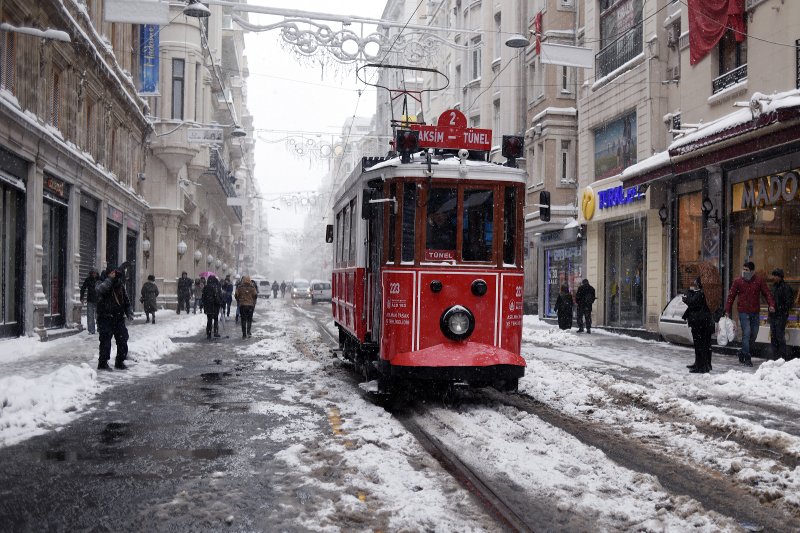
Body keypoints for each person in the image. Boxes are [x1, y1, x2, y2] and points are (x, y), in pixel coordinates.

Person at [724, 261, 776, 366]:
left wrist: (771, 305)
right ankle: (747, 357)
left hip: (755, 312)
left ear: (752, 271)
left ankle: (742, 352)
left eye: (746, 270)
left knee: (754, 334)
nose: (744, 272)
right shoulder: (738, 281)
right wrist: (727, 310)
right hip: (743, 312)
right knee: (746, 333)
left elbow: (767, 293)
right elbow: (731, 296)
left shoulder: (759, 281)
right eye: (743, 269)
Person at [95, 267, 134, 370]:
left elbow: (125, 300)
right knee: (105, 341)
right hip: (105, 317)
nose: (115, 275)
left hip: (118, 317)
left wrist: (129, 311)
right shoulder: (101, 281)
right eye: (113, 273)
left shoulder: (119, 284)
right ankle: (102, 363)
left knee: (123, 340)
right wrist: (109, 279)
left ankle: (120, 361)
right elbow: (100, 290)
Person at [683, 277, 714, 373]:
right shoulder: (707, 293)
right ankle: (704, 364)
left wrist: (687, 295)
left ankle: (701, 366)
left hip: (700, 323)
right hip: (705, 322)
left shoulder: (702, 293)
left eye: (696, 283)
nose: (694, 285)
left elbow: (692, 302)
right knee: (705, 345)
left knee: (700, 345)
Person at [769, 268, 795, 360]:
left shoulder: (785, 287)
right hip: (773, 315)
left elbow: (789, 302)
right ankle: (775, 356)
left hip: (781, 316)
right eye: (773, 275)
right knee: (774, 336)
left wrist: (780, 309)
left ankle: (782, 356)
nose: (774, 277)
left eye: (776, 275)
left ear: (780, 277)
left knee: (779, 336)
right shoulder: (774, 287)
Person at [202, 275, 223, 339]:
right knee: (216, 319)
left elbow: (203, 298)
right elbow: (220, 296)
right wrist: (220, 303)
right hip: (215, 305)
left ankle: (209, 333)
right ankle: (216, 332)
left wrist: (204, 306)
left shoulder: (206, 287)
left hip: (208, 306)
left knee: (209, 320)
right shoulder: (217, 287)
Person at [80, 269, 100, 334]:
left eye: (95, 273)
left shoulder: (99, 280)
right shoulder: (88, 279)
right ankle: (91, 330)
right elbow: (83, 288)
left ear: (97, 274)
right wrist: (81, 297)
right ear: (91, 273)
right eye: (93, 273)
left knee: (98, 315)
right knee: (90, 316)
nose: (94, 274)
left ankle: (100, 328)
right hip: (90, 300)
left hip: (98, 300)